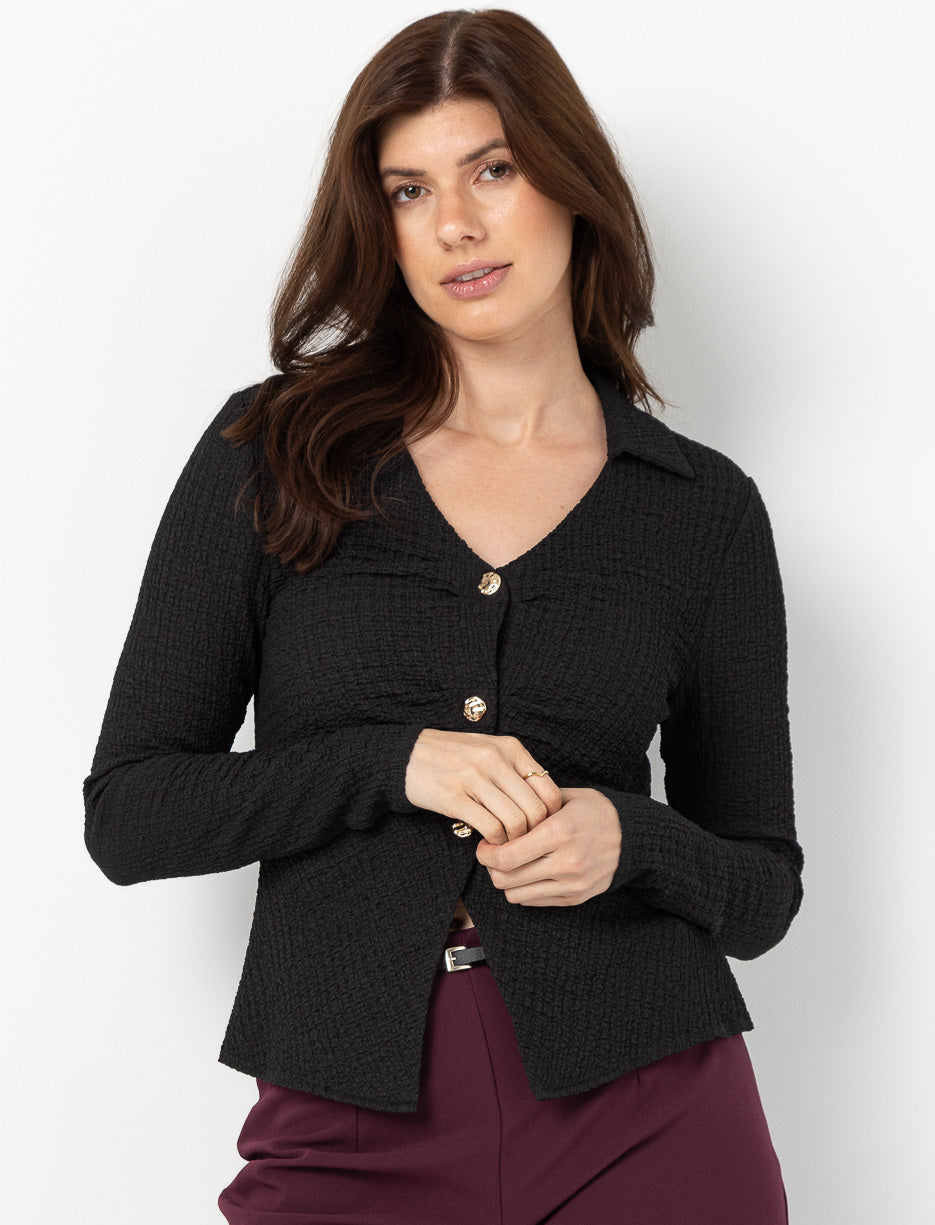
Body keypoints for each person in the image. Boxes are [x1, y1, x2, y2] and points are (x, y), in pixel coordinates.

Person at [83, 9, 804, 1223]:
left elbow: (761, 889)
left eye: (493, 170)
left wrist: (629, 839)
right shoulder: (275, 452)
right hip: (348, 1116)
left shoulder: (700, 510)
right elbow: (131, 812)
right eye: (408, 191)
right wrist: (390, 764)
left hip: (649, 1105)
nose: (454, 224)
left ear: (570, 184)